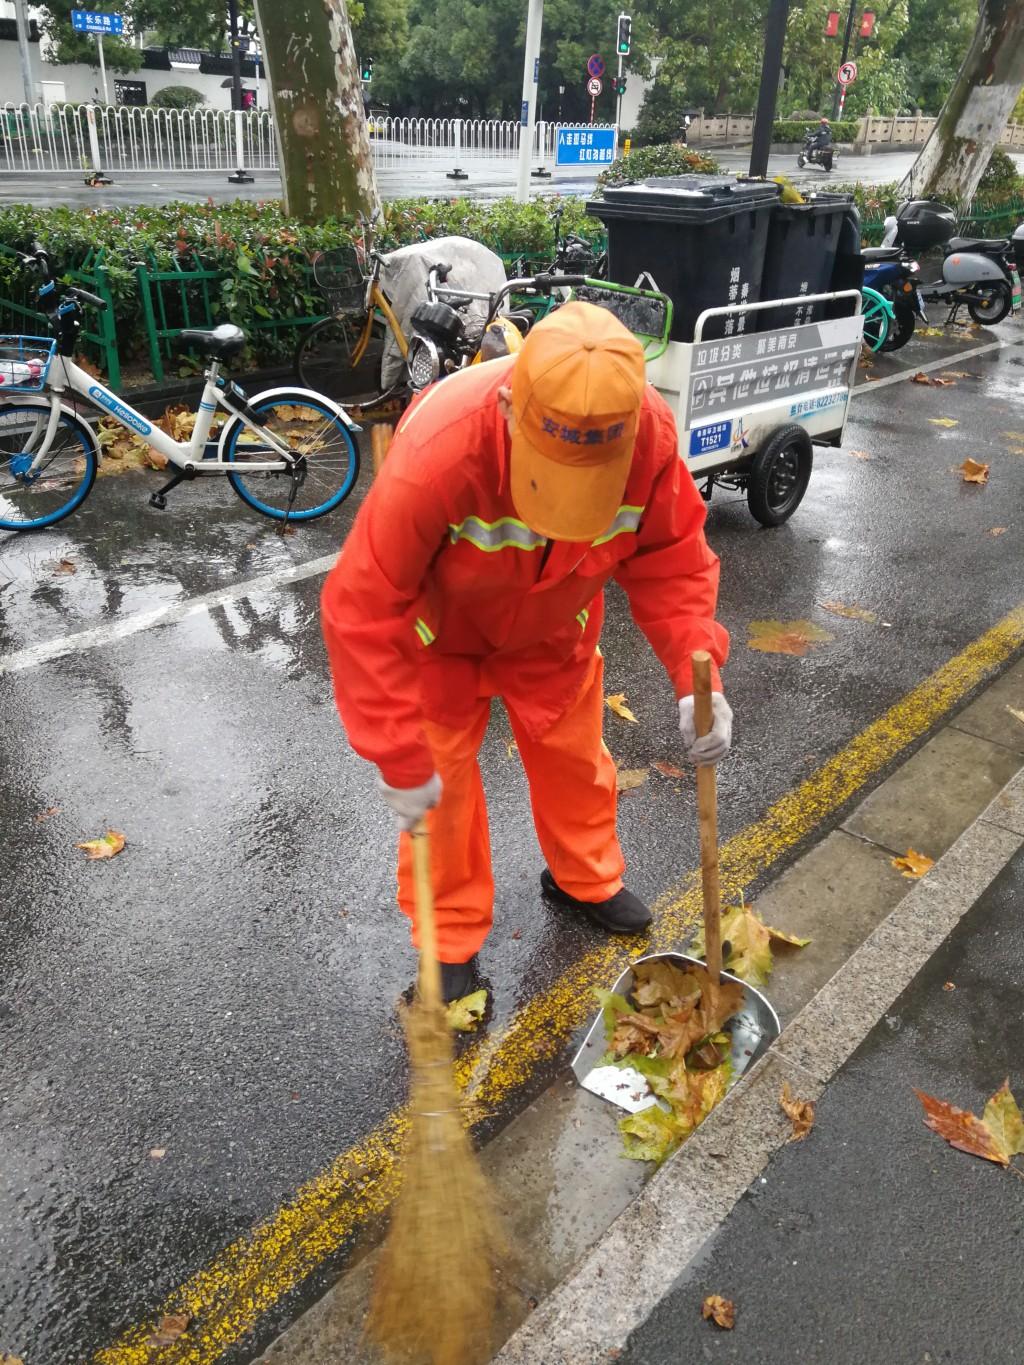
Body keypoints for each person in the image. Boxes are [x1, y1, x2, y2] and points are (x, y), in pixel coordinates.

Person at [321, 302, 731, 1002]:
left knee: (576, 760)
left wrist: (698, 677)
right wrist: (396, 750)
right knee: (440, 792)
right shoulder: (439, 451)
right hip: (442, 641)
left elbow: (672, 559)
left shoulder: (651, 439)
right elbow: (362, 604)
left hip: (555, 626)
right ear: (510, 405)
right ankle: (447, 935)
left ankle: (587, 877)